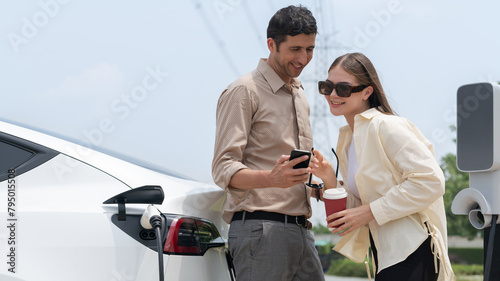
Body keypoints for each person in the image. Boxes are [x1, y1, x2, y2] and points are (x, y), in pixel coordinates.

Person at [311, 53, 455, 281]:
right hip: (385, 255)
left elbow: (432, 181)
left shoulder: (387, 126)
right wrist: (329, 180)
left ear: (367, 92)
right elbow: (355, 211)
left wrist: (368, 212)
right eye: (327, 86)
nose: (333, 95)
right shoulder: (349, 139)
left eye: (344, 88)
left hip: (413, 250)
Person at [211, 5, 325, 281]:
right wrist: (271, 178)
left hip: (302, 231)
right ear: (272, 44)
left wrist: (316, 183)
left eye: (309, 49)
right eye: (295, 49)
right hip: (259, 232)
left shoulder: (299, 95)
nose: (303, 58)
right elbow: (222, 168)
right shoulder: (244, 91)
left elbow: (291, 174)